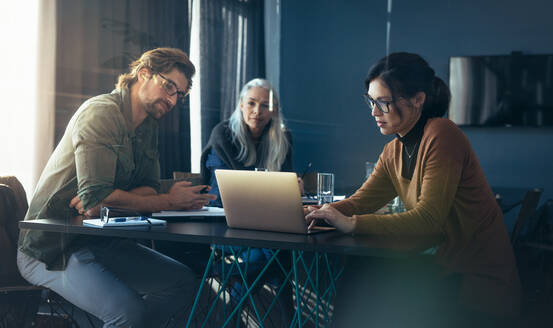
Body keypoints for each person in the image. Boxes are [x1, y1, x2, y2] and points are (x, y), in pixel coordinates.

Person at [305, 52, 520, 327]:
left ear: (418, 100)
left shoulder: (442, 134)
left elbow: (428, 219)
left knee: (365, 277)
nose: (373, 112)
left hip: (474, 283)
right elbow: (362, 200)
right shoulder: (394, 150)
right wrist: (321, 212)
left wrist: (351, 224)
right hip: (440, 269)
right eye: (371, 102)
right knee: (362, 272)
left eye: (383, 103)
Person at [17, 47, 216, 328]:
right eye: (169, 86)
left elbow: (136, 191)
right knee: (129, 313)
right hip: (51, 248)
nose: (172, 99)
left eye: (179, 94)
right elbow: (98, 198)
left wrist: (106, 202)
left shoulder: (148, 127)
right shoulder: (101, 113)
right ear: (143, 73)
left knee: (183, 283)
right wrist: (167, 201)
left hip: (101, 240)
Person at [200, 78, 302, 207]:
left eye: (265, 105)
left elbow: (287, 180)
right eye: (251, 103)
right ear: (241, 105)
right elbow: (230, 188)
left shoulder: (283, 137)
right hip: (222, 209)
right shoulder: (223, 134)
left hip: (267, 210)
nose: (257, 111)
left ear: (274, 110)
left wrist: (294, 186)